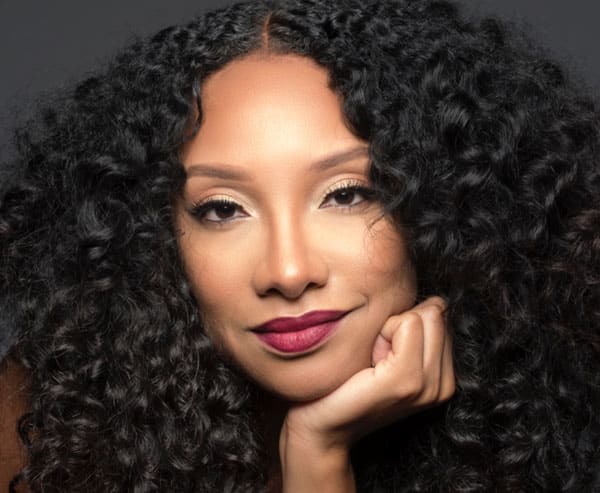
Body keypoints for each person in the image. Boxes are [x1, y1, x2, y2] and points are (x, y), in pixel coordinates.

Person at [0, 0, 598, 491]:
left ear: (442, 205)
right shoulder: (42, 425)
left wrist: (316, 449)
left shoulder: (548, 424)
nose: (288, 272)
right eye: (222, 209)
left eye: (346, 194)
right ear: (152, 236)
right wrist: (319, 454)